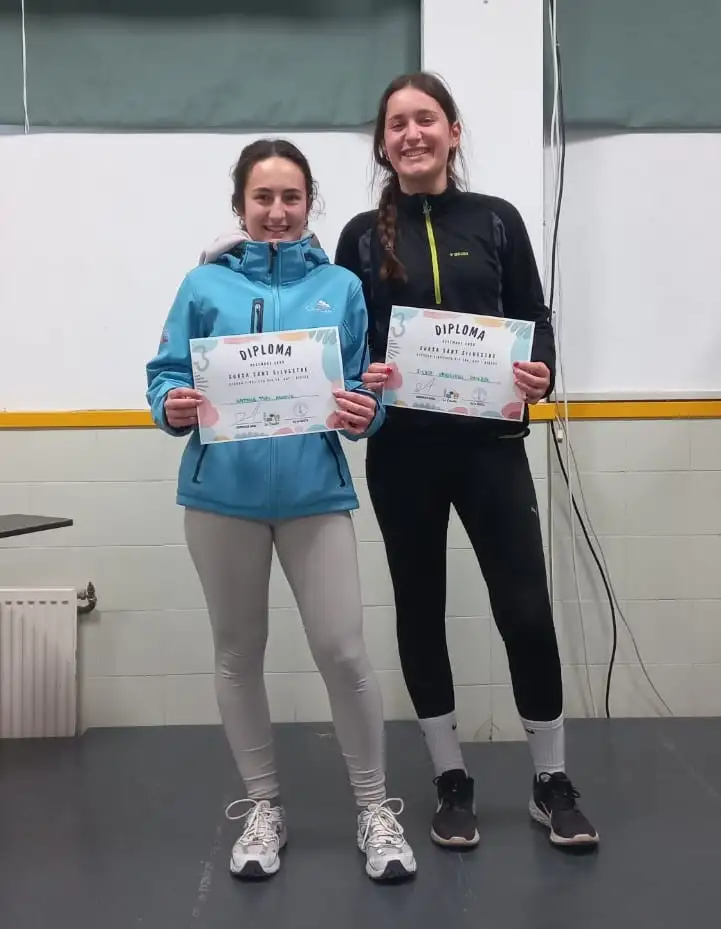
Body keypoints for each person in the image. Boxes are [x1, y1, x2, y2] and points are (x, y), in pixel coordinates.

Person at [335, 73, 598, 850]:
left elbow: (533, 318)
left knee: (525, 611)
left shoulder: (496, 219)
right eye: (396, 123)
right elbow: (347, 345)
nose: (411, 133)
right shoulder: (358, 235)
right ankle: (450, 779)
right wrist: (362, 376)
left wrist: (539, 371)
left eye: (425, 118)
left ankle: (550, 780)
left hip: (490, 450)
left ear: (451, 132)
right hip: (402, 455)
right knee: (420, 610)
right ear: (382, 145)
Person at [146, 138, 416, 883]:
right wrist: (170, 405)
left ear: (309, 203)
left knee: (344, 651)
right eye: (261, 197)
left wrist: (367, 412)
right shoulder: (202, 285)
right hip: (220, 499)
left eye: (290, 197)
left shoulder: (340, 286)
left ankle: (374, 808)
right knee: (238, 653)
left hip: (314, 498)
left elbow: (364, 389)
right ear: (240, 204)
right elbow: (164, 375)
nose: (276, 211)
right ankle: (263, 807)